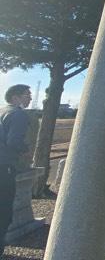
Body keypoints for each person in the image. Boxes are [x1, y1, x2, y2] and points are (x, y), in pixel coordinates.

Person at [0, 84, 31, 257]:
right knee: (3, 214)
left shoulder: (1, 111)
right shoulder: (18, 114)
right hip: (4, 169)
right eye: (27, 95)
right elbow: (14, 142)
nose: (30, 98)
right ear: (15, 97)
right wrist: (26, 151)